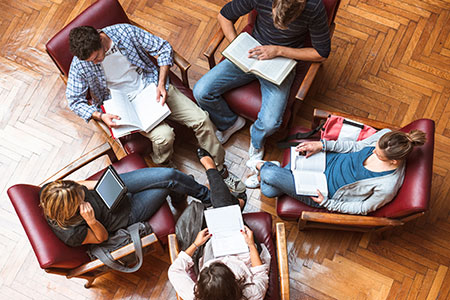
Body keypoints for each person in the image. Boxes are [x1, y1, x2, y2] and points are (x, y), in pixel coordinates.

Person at [66, 24, 244, 193]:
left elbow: (163, 47)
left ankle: (219, 169)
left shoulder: (124, 32)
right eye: (92, 61)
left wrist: (161, 83)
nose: (96, 62)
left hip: (151, 86)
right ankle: (166, 167)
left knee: (202, 119)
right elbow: (74, 100)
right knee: (164, 137)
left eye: (97, 57)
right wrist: (99, 115)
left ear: (100, 37)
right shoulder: (81, 63)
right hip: (122, 104)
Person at [193, 0, 331, 163]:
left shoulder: (314, 7)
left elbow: (321, 53)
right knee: (201, 91)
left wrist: (279, 50)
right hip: (251, 52)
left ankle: (257, 139)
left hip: (281, 60)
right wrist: (237, 44)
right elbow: (224, 16)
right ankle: (230, 123)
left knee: (270, 123)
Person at [168, 149, 270, 300]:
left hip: (212, 250)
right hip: (244, 253)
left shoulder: (193, 296)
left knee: (222, 209)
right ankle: (213, 172)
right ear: (234, 283)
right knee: (223, 207)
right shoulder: (252, 294)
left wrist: (196, 244)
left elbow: (174, 271)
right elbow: (260, 272)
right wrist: (251, 245)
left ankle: (231, 195)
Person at [247, 129, 426, 215]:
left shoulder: (388, 185)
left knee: (268, 186)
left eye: (378, 155)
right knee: (269, 189)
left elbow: (363, 208)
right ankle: (272, 168)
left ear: (394, 161)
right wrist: (322, 145)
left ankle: (264, 166)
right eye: (375, 148)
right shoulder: (385, 136)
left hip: (324, 191)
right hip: (325, 160)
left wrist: (327, 203)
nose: (372, 151)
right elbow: (355, 146)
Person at [40, 168, 213, 247]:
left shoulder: (51, 191)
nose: (83, 194)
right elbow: (102, 238)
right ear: (70, 209)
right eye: (80, 198)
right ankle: (211, 199)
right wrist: (91, 221)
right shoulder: (72, 234)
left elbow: (80, 185)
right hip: (125, 213)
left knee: (170, 175)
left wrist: (108, 185)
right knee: (169, 184)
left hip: (110, 190)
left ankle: (184, 194)